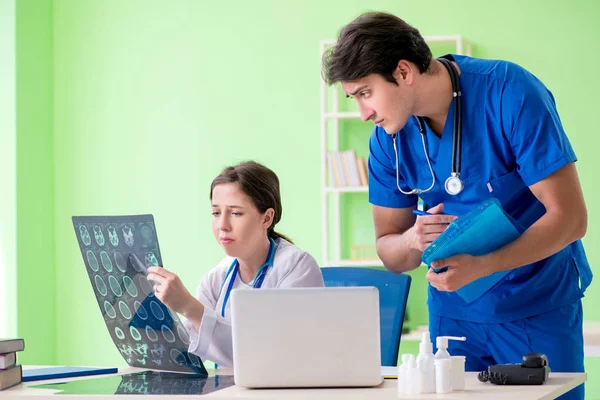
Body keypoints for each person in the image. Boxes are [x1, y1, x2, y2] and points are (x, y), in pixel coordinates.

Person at [323, 12, 591, 400]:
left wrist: (484, 265)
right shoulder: (387, 139)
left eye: (365, 93)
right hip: (454, 322)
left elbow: (570, 219)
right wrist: (413, 240)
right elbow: (391, 251)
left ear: (402, 71)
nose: (363, 113)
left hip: (536, 307)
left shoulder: (510, 93)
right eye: (354, 98)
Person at [147, 161, 324, 368]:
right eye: (216, 213)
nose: (222, 225)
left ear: (267, 218)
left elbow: (271, 358)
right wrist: (154, 320)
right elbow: (188, 353)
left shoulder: (296, 268)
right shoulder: (217, 277)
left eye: (235, 213)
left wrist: (189, 307)